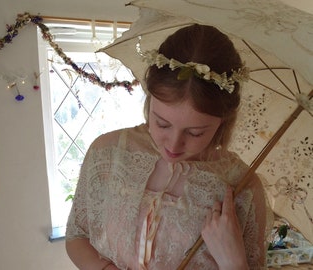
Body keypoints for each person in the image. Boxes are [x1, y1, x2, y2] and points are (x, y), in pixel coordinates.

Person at [65, 24, 270, 270]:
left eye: (195, 132)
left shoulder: (242, 186)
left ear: (224, 122)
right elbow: (77, 235)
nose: (173, 144)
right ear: (149, 100)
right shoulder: (107, 153)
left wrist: (233, 262)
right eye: (162, 124)